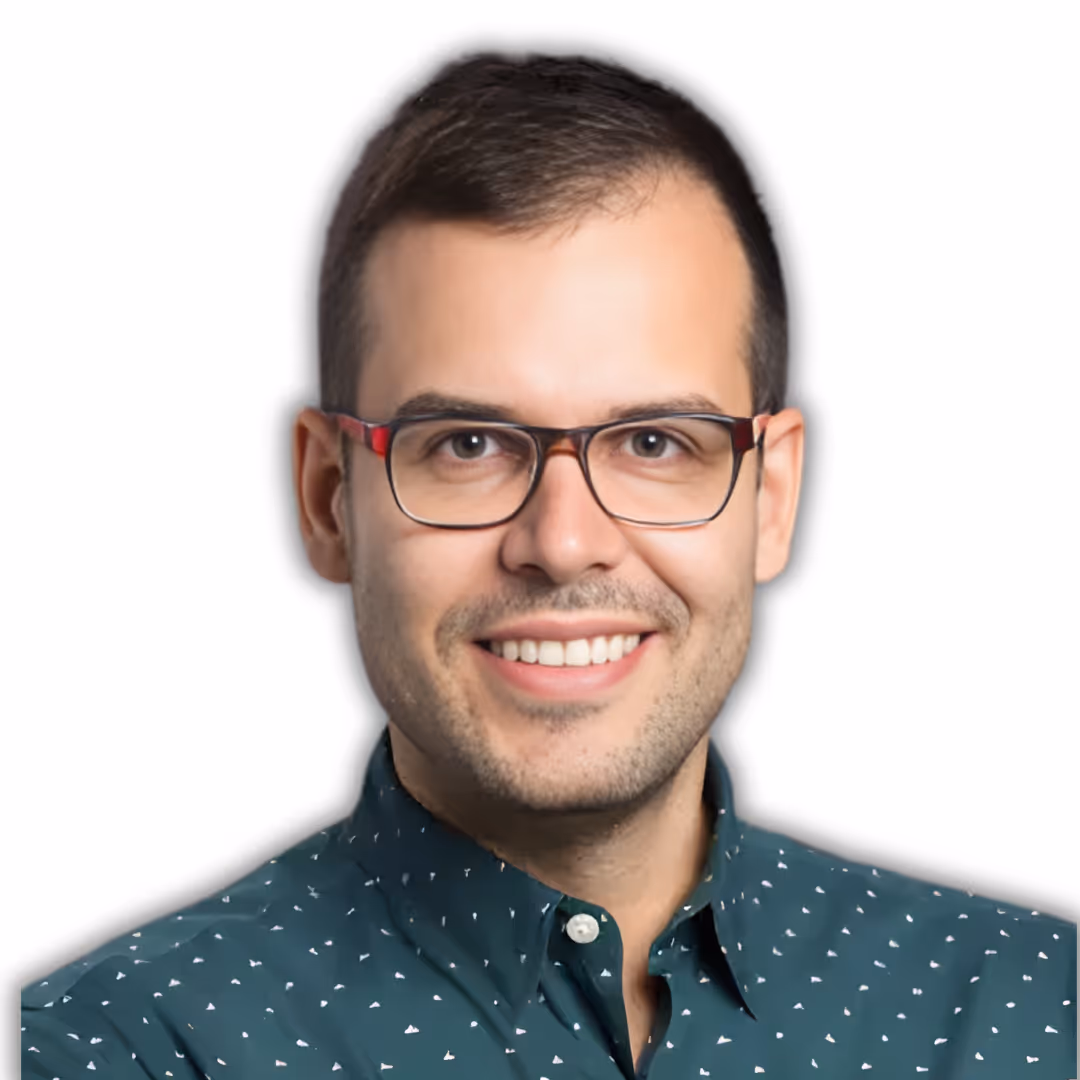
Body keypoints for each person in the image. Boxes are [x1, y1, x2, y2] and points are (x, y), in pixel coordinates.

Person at [21, 51, 1075, 1080]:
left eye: (658, 442)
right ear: (329, 498)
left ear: (773, 496)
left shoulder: (1037, 1012)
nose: (564, 542)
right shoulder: (110, 1053)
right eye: (468, 446)